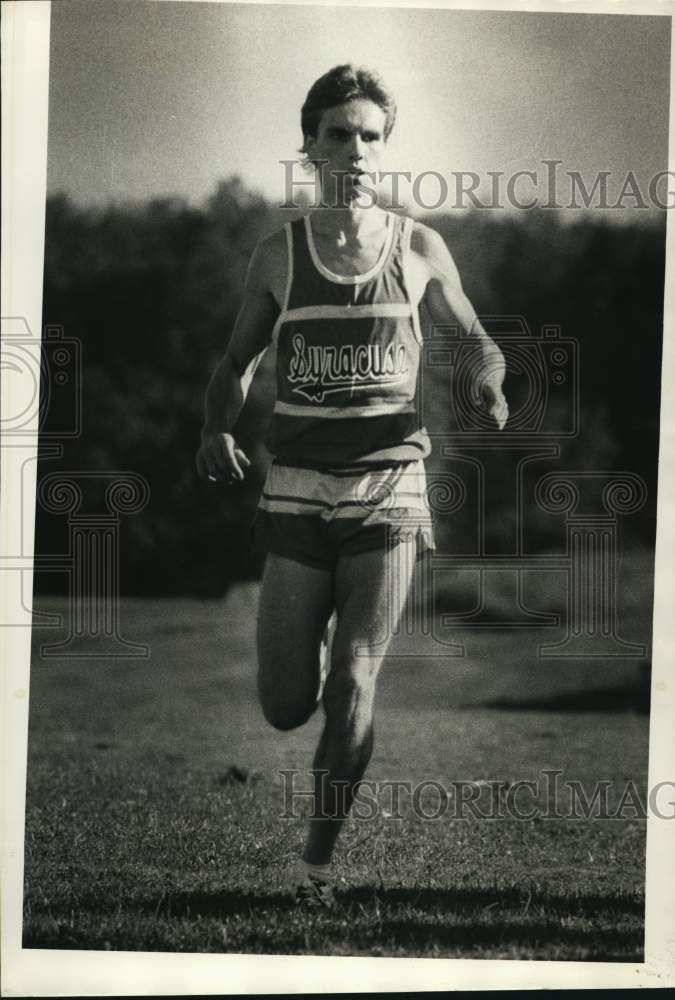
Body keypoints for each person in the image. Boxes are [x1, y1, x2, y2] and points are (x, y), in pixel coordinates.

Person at [196, 64, 508, 907]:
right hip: (295, 490)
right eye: (339, 133)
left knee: (356, 684)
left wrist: (488, 380)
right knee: (284, 705)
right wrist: (215, 427)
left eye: (371, 135)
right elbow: (236, 363)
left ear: (384, 147)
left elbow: (475, 337)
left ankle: (316, 871)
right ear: (310, 146)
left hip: (388, 488)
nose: (356, 150)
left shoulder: (416, 246)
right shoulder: (278, 253)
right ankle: (321, 665)